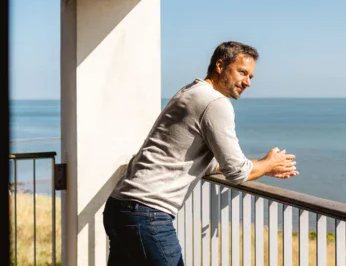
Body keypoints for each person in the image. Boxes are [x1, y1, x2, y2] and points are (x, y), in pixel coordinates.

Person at [102, 41, 299, 266]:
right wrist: (268, 164)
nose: (247, 82)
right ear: (220, 65)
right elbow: (236, 172)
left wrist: (259, 166)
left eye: (251, 77)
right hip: (147, 214)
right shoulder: (215, 103)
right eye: (242, 72)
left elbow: (192, 158)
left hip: (120, 207)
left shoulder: (191, 91)